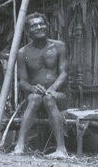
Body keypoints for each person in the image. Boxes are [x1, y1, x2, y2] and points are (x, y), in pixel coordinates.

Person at [12, 12, 70, 157]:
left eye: (41, 24)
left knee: (48, 98)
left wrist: (52, 89)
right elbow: (22, 81)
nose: (39, 27)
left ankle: (61, 149)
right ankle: (20, 145)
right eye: (34, 25)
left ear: (47, 26)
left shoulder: (59, 46)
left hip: (58, 96)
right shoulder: (23, 52)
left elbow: (64, 73)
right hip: (36, 98)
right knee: (34, 98)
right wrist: (33, 88)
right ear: (28, 31)